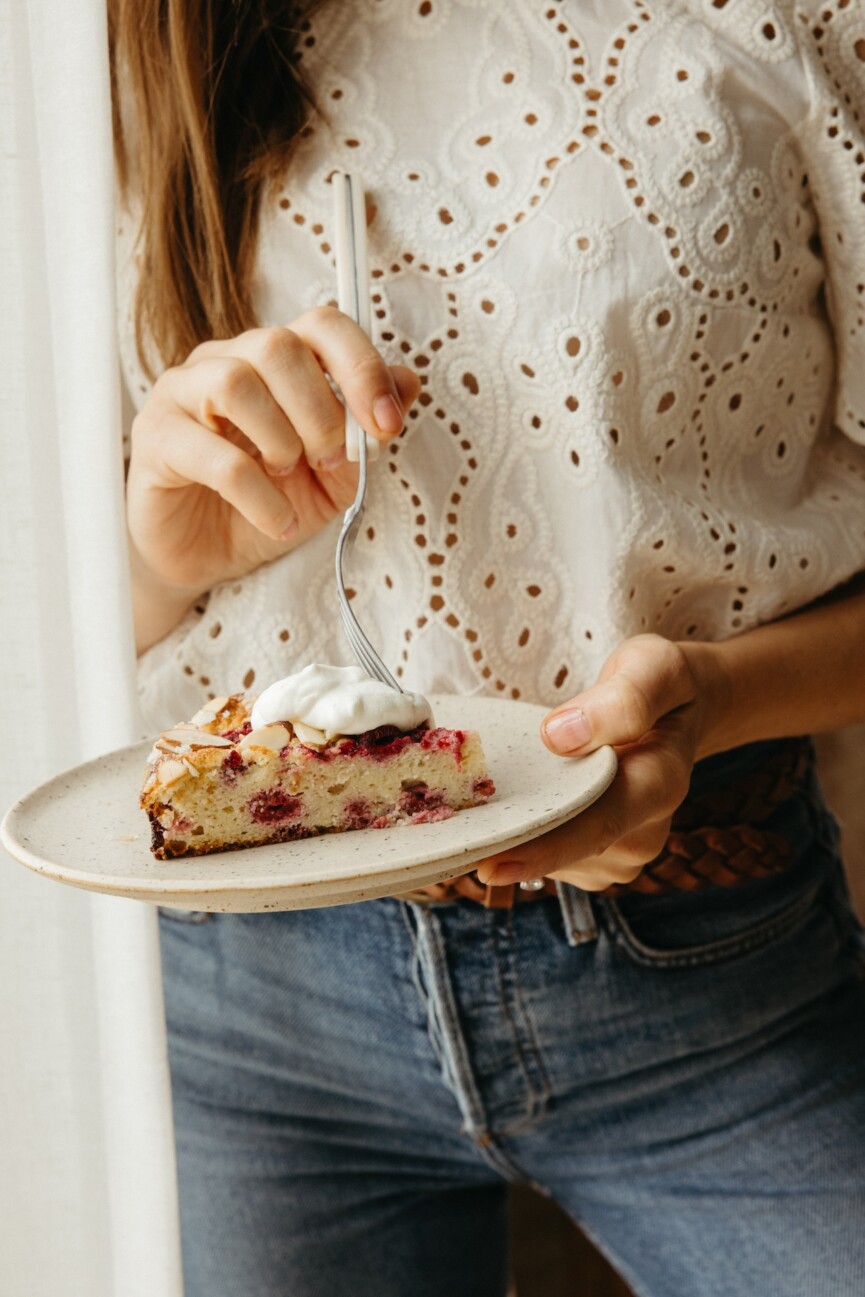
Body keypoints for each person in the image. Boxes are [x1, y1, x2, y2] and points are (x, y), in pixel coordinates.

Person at [111, 2, 865, 1294]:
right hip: (247, 1004)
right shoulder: (122, 47)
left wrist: (716, 698)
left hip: (708, 958)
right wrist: (154, 555)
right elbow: (58, 633)